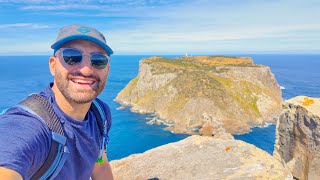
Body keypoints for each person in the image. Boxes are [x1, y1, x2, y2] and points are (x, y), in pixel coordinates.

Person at [0, 24, 114, 180]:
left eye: (98, 60)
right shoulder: (32, 125)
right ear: (53, 66)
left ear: (107, 70)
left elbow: (99, 161)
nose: (86, 70)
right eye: (72, 57)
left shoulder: (100, 113)